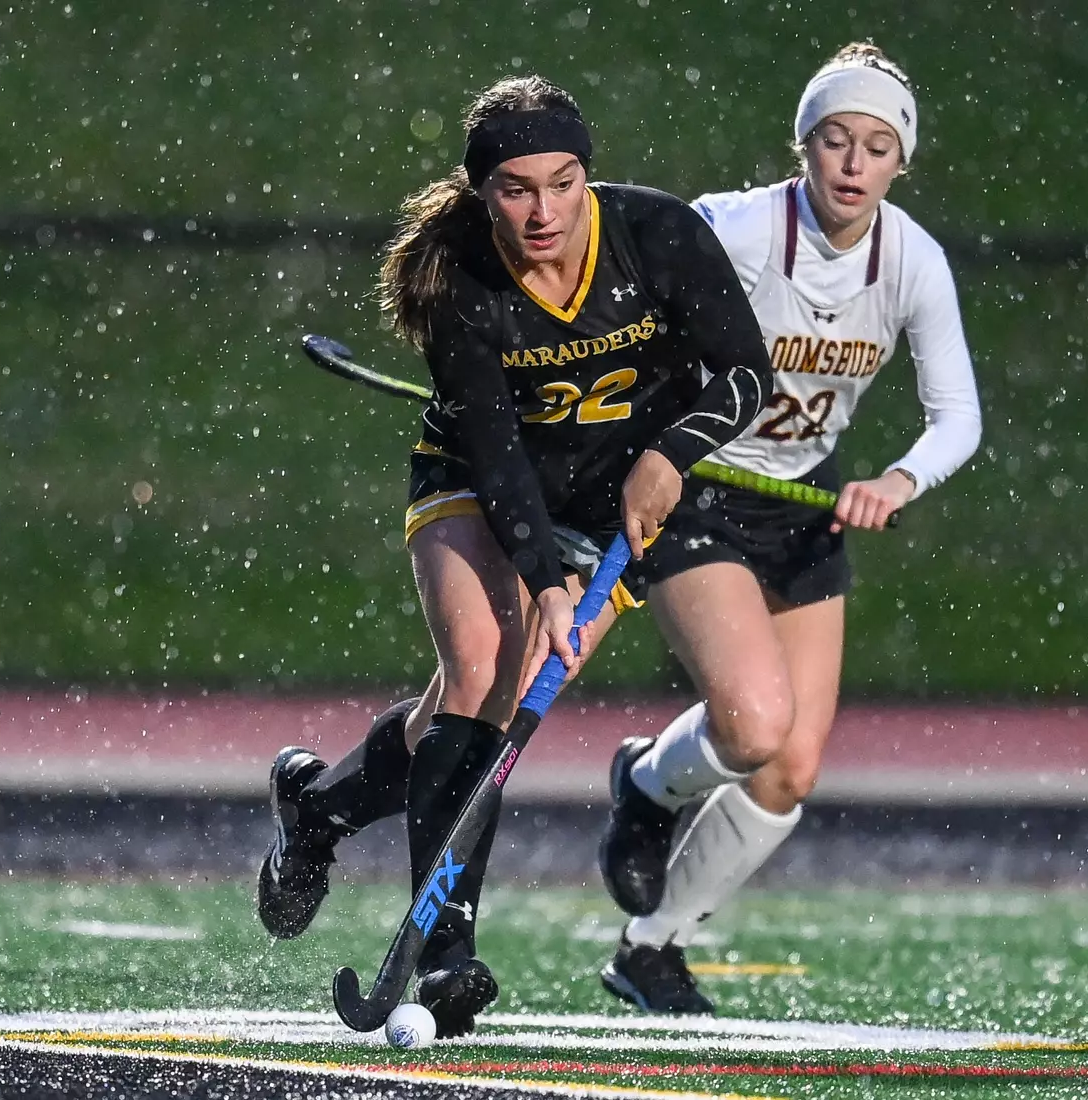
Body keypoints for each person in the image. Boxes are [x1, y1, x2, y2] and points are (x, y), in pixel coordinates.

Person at [253, 74, 774, 1037]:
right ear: (480, 190)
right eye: (517, 188)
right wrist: (543, 575)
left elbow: (747, 372)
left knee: (484, 702)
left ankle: (319, 812)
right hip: (477, 477)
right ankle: (446, 953)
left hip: (619, 493)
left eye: (563, 182)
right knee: (484, 670)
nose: (544, 211)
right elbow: (494, 453)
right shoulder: (460, 282)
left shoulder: (656, 237)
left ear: (589, 176)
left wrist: (668, 454)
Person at [595, 41, 983, 1013]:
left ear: (901, 161)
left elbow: (957, 416)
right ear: (802, 145)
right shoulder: (731, 229)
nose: (852, 165)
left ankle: (650, 946)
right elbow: (619, 292)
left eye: (875, 147)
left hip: (805, 499)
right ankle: (646, 786)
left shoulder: (912, 262)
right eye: (834, 141)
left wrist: (898, 477)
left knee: (789, 770)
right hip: (702, 487)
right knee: (751, 725)